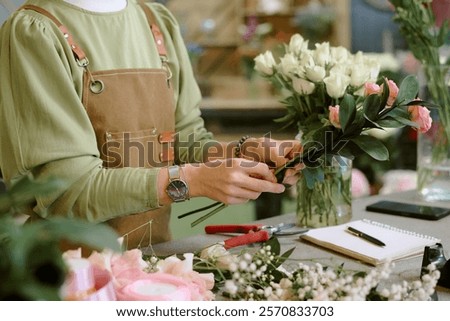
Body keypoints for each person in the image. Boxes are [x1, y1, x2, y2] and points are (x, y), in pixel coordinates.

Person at [0, 0, 301, 249]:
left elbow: (182, 137)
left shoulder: (154, 20)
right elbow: (68, 191)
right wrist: (192, 181)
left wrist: (243, 153)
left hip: (154, 259)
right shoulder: (34, 31)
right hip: (71, 276)